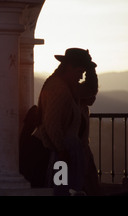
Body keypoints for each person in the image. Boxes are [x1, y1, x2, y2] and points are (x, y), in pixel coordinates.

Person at [33, 48, 99, 195]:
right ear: (70, 68)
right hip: (61, 152)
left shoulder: (68, 86)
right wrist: (62, 150)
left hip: (67, 150)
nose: (81, 77)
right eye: (79, 72)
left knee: (67, 187)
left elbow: (89, 91)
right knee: (61, 188)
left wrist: (91, 70)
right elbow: (52, 123)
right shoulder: (59, 88)